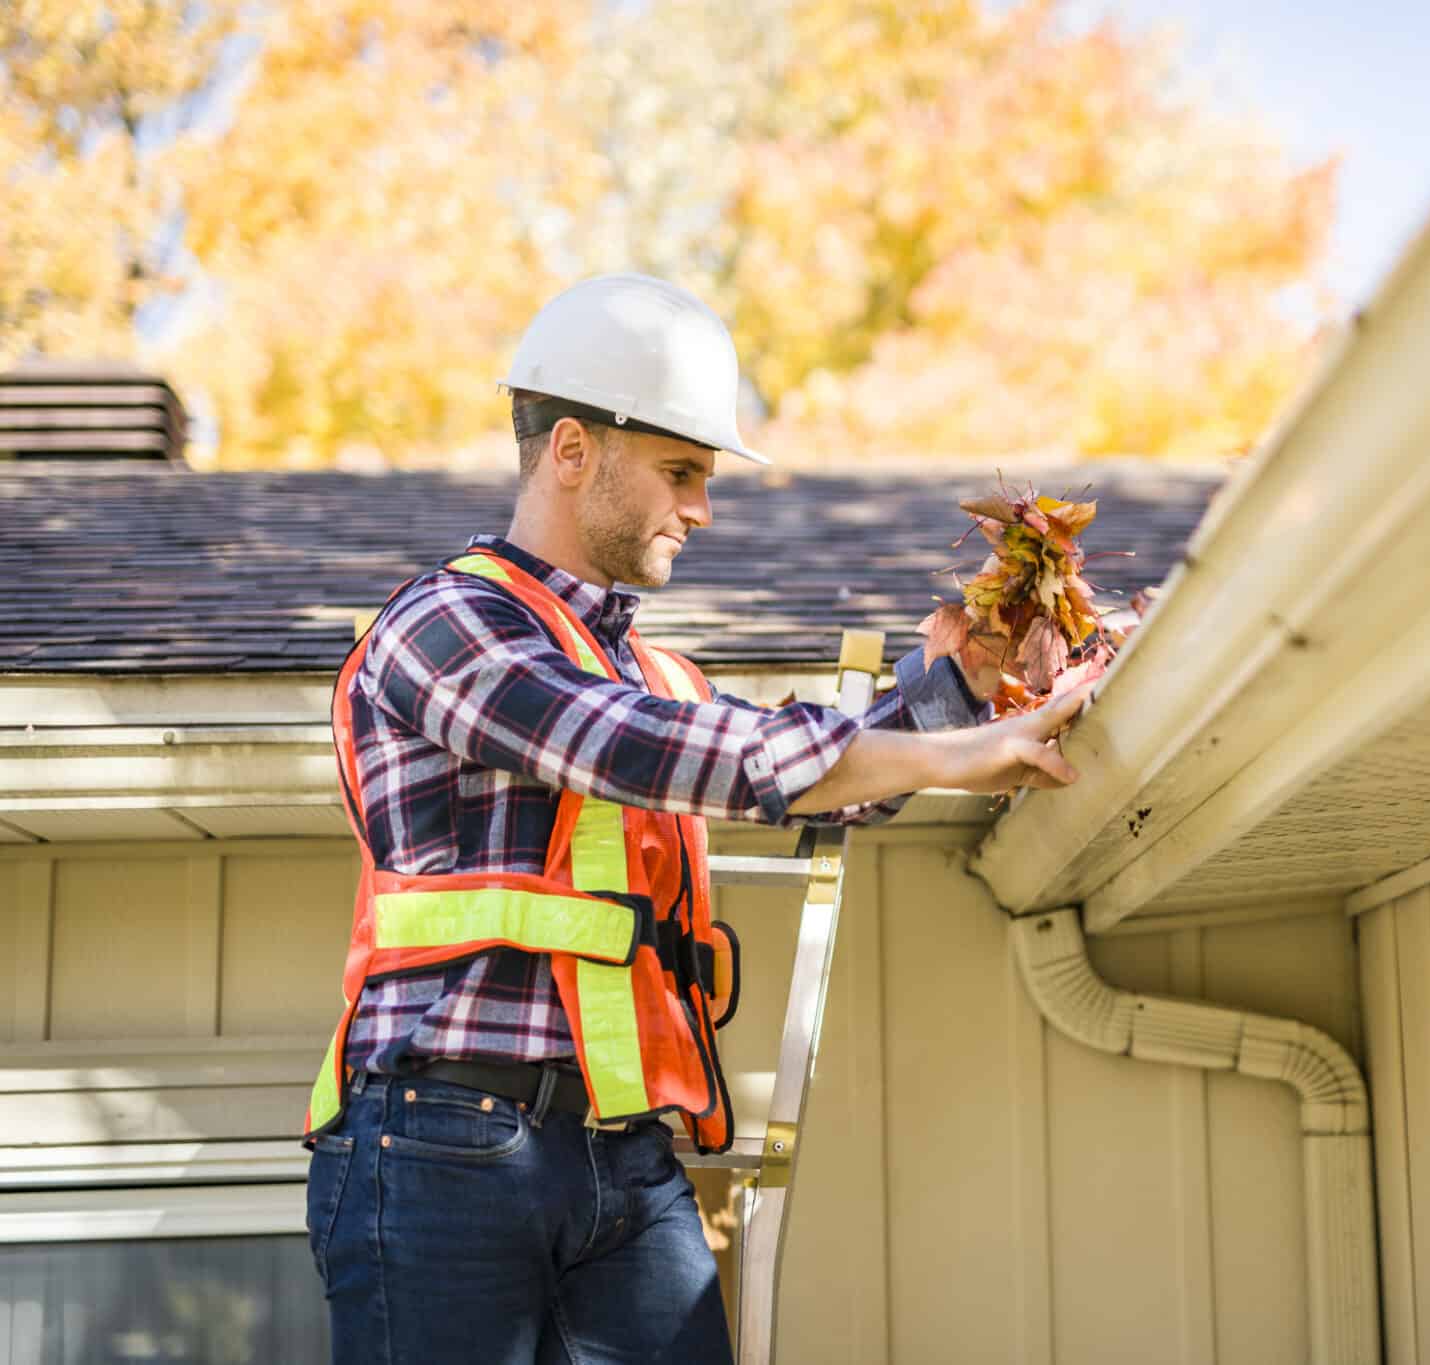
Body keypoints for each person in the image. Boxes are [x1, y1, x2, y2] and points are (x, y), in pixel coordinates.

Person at [302, 274, 1089, 1364]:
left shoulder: (652, 671)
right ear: (572, 452)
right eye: (681, 472)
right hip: (443, 1143)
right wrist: (965, 755)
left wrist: (959, 685)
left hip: (623, 1157)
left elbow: (815, 783)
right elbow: (650, 751)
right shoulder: (446, 625)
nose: (704, 509)